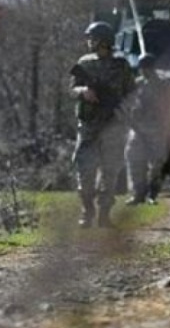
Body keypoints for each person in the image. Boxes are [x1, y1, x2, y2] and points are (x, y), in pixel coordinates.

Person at [69, 21, 134, 227]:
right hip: (88, 126)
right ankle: (87, 210)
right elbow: (72, 88)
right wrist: (83, 92)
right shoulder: (84, 63)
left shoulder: (121, 65)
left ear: (102, 41)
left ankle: (104, 214)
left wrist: (123, 109)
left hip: (113, 126)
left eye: (92, 38)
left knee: (110, 171)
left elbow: (131, 93)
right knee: (85, 170)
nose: (89, 42)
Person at [124, 53, 168, 205]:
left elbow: (168, 107)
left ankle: (152, 194)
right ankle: (138, 194)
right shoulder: (137, 84)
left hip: (156, 129)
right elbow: (128, 104)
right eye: (142, 68)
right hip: (137, 129)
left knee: (157, 164)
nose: (144, 71)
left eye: (146, 68)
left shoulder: (162, 85)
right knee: (135, 160)